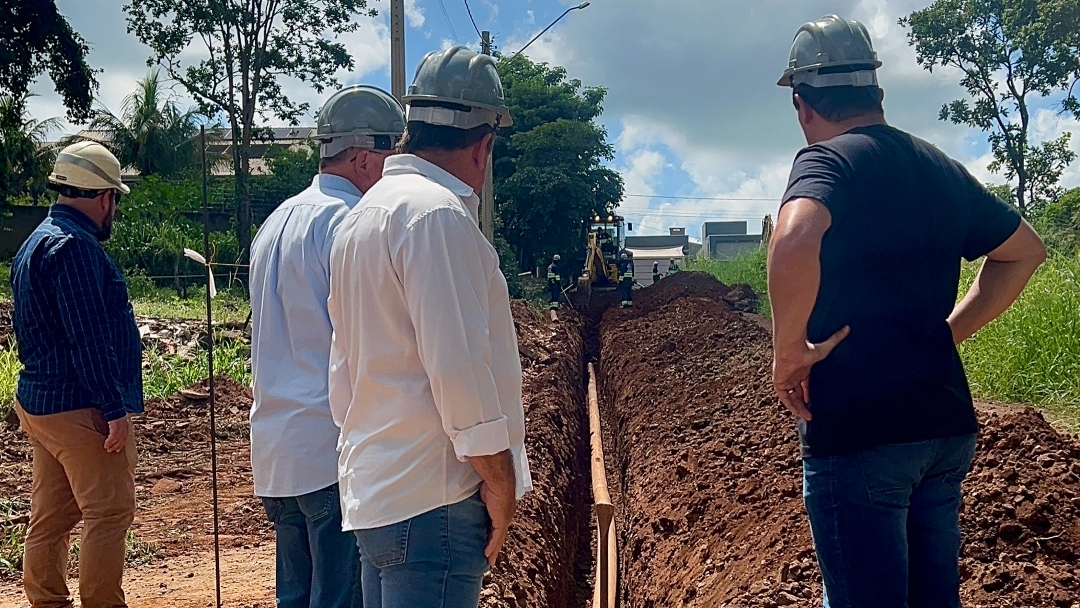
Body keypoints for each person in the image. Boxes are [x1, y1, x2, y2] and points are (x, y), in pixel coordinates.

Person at [769, 15, 1046, 608]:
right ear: (878, 94)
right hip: (943, 424)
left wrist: (788, 351)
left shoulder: (827, 163)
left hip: (860, 428)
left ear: (802, 104)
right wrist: (948, 335)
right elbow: (1024, 252)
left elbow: (793, 240)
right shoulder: (938, 167)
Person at [327, 45, 532, 608]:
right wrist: (498, 479)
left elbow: (342, 374)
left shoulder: (362, 219)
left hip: (379, 496)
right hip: (434, 503)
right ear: (483, 144)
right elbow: (459, 367)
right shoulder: (436, 216)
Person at [249, 85, 405, 608]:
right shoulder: (347, 224)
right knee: (339, 598)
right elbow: (363, 343)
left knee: (294, 595)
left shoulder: (276, 222)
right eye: (390, 155)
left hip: (277, 450)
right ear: (364, 157)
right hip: (328, 450)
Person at [10, 141, 141, 608]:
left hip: (40, 403)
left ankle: (45, 600)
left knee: (52, 515)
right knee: (108, 511)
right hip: (78, 405)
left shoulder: (35, 242)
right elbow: (89, 339)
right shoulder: (76, 249)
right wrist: (114, 409)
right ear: (105, 196)